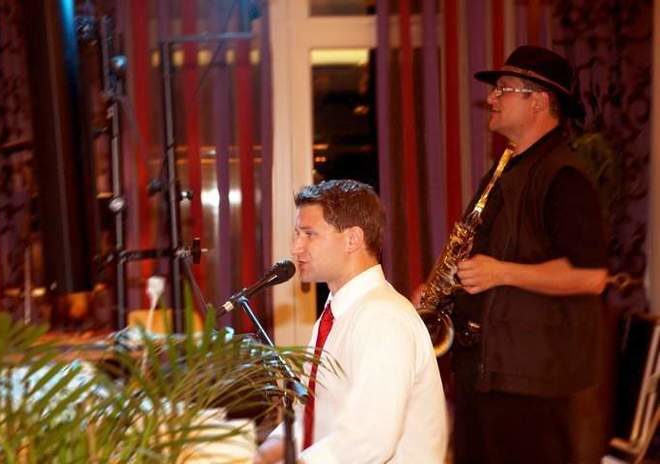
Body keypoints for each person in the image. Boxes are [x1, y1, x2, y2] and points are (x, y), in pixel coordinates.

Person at [450, 45, 610, 463]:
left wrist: (501, 273)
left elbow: (590, 276)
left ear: (538, 101)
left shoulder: (565, 176)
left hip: (531, 384)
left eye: (503, 89)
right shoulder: (506, 168)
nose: (491, 98)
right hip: (487, 372)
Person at [255, 179, 447, 464]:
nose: (296, 247)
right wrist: (262, 454)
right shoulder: (337, 312)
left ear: (352, 239)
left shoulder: (384, 319)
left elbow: (369, 441)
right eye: (297, 234)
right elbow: (310, 415)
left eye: (309, 234)